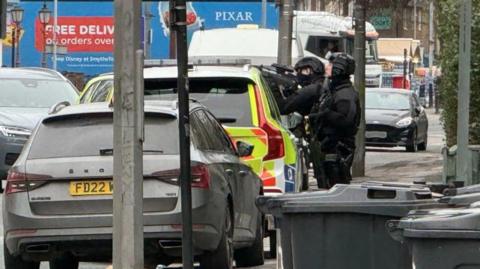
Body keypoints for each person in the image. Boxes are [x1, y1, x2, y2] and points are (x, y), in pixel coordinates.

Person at [307, 53, 360, 188]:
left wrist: (324, 114)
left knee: (336, 188)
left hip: (338, 150)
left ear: (338, 68)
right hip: (329, 148)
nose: (327, 67)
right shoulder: (335, 89)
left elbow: (346, 121)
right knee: (327, 186)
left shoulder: (345, 94)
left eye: (331, 64)